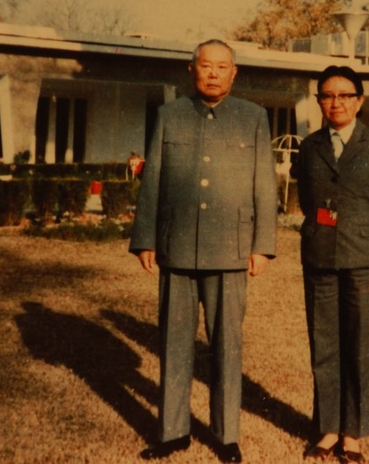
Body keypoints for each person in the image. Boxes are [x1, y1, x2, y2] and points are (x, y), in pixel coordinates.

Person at [129, 39, 278, 462]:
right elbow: (153, 179)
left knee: (227, 345)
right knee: (173, 343)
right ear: (192, 69)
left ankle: (226, 434)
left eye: (222, 67)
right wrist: (145, 238)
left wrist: (262, 246)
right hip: (176, 247)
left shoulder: (253, 117)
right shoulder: (169, 115)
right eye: (206, 66)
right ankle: (172, 431)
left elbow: (265, 185)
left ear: (234, 73)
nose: (213, 73)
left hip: (231, 249)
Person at [296, 65, 369, 462]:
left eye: (345, 95)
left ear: (360, 101)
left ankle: (353, 434)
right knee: (324, 344)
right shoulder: (310, 147)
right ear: (319, 101)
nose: (336, 102)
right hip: (321, 256)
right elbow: (308, 201)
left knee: (359, 345)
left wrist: (367, 239)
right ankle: (328, 429)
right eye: (328, 95)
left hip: (366, 259)